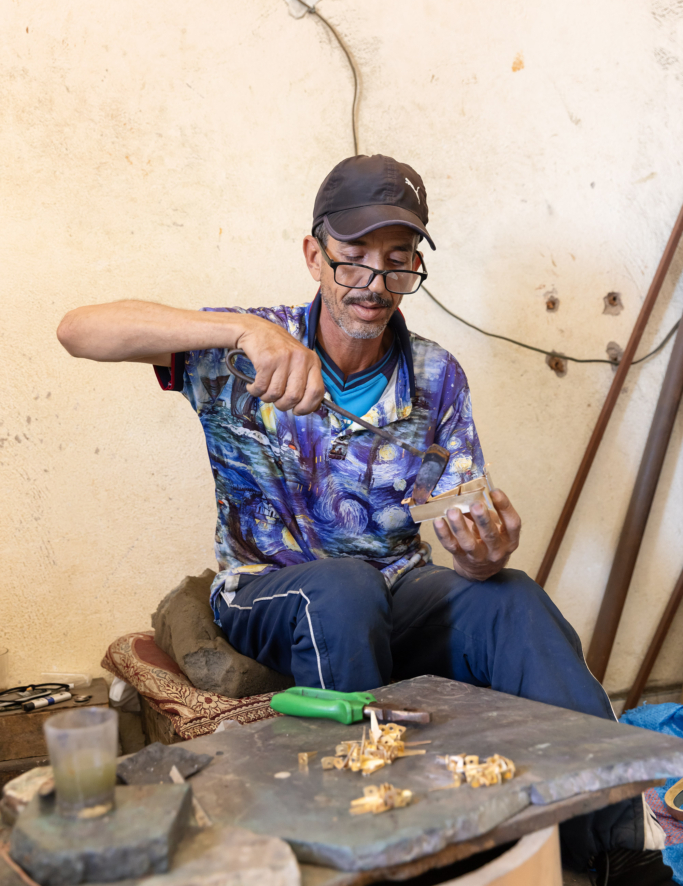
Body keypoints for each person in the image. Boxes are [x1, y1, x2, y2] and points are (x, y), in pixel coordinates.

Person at [57, 154, 671, 883]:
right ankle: (381, 842)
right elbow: (78, 329)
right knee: (343, 587)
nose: (373, 284)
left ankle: (615, 851)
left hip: (395, 588)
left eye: (398, 260)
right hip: (267, 589)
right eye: (352, 257)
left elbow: (457, 526)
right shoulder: (243, 346)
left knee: (512, 599)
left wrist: (481, 556)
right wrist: (240, 330)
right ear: (314, 255)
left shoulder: (436, 374)